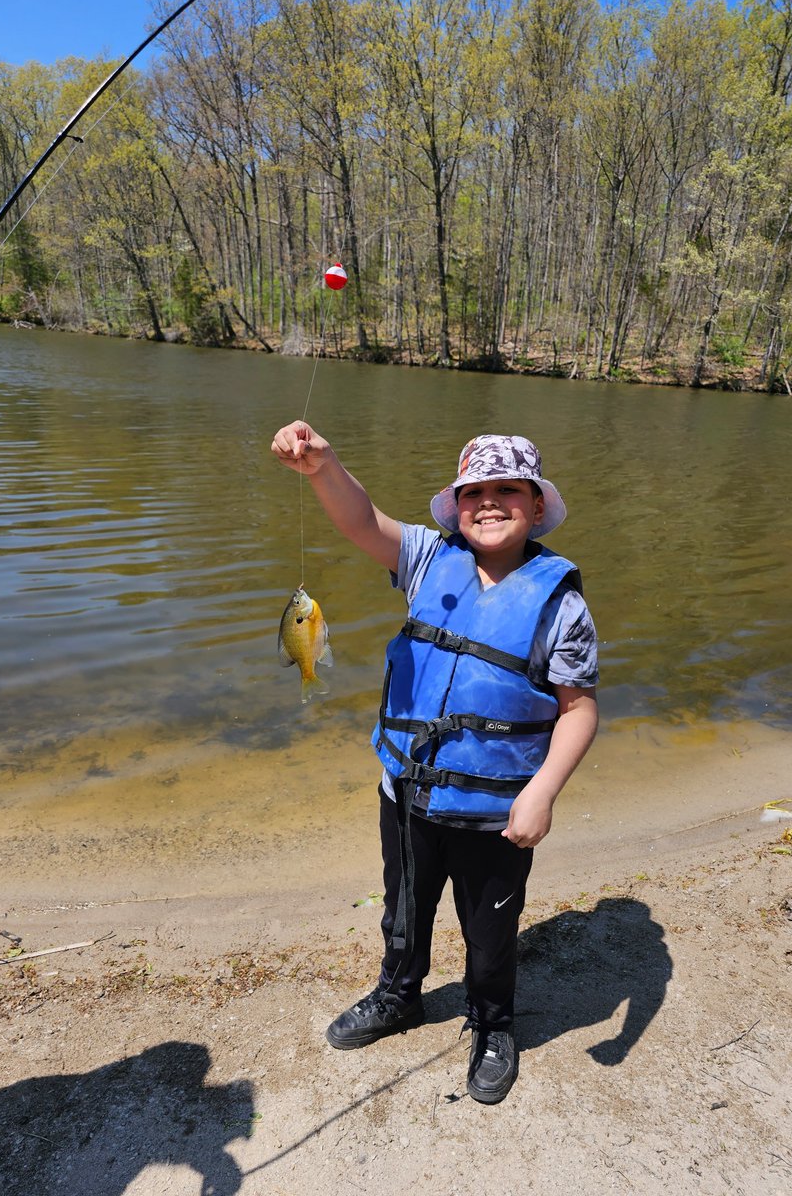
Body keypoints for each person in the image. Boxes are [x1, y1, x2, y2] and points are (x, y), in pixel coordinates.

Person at [270, 422, 599, 1104]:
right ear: (456, 505)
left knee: (490, 931)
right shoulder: (425, 558)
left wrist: (542, 791)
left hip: (497, 811)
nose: (489, 502)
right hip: (409, 792)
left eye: (509, 490)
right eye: (474, 491)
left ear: (537, 507)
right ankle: (398, 995)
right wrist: (323, 468)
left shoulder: (561, 603)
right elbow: (362, 522)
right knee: (403, 909)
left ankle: (493, 1024)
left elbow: (579, 709)